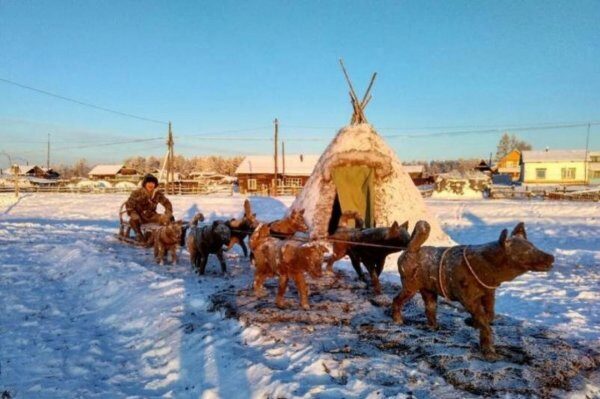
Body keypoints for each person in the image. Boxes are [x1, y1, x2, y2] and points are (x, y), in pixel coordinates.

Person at [125, 174, 173, 241]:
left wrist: (168, 213)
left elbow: (167, 203)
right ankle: (139, 234)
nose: (151, 185)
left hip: (152, 216)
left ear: (155, 184)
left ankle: (168, 236)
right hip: (139, 216)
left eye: (153, 183)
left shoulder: (157, 194)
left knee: (168, 218)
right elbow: (129, 206)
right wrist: (134, 214)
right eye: (149, 182)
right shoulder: (137, 193)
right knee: (133, 220)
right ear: (145, 184)